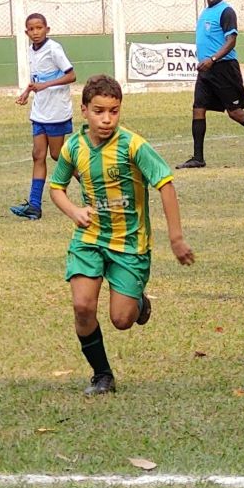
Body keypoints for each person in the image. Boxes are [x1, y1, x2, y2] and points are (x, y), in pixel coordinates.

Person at [50, 75, 195, 395]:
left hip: (130, 244)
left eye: (114, 111)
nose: (106, 119)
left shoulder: (133, 145)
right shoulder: (73, 147)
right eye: (99, 111)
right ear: (84, 110)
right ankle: (102, 375)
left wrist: (176, 239)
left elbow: (165, 184)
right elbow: (56, 188)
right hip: (89, 239)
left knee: (121, 319)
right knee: (83, 306)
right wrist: (74, 211)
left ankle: (138, 303)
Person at [176, 0, 244, 169]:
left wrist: (213, 58)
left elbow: (231, 40)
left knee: (235, 113)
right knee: (198, 109)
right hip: (205, 71)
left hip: (223, 68)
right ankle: (198, 157)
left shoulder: (226, 11)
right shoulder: (205, 12)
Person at [10, 13, 76, 221]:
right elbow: (37, 79)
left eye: (39, 28)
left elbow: (71, 75)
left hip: (56, 112)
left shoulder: (54, 49)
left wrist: (44, 86)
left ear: (47, 29)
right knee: (38, 155)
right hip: (39, 112)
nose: (36, 32)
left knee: (57, 156)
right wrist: (27, 92)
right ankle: (34, 206)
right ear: (26, 32)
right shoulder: (31, 51)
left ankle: (94, 190)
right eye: (31, 29)